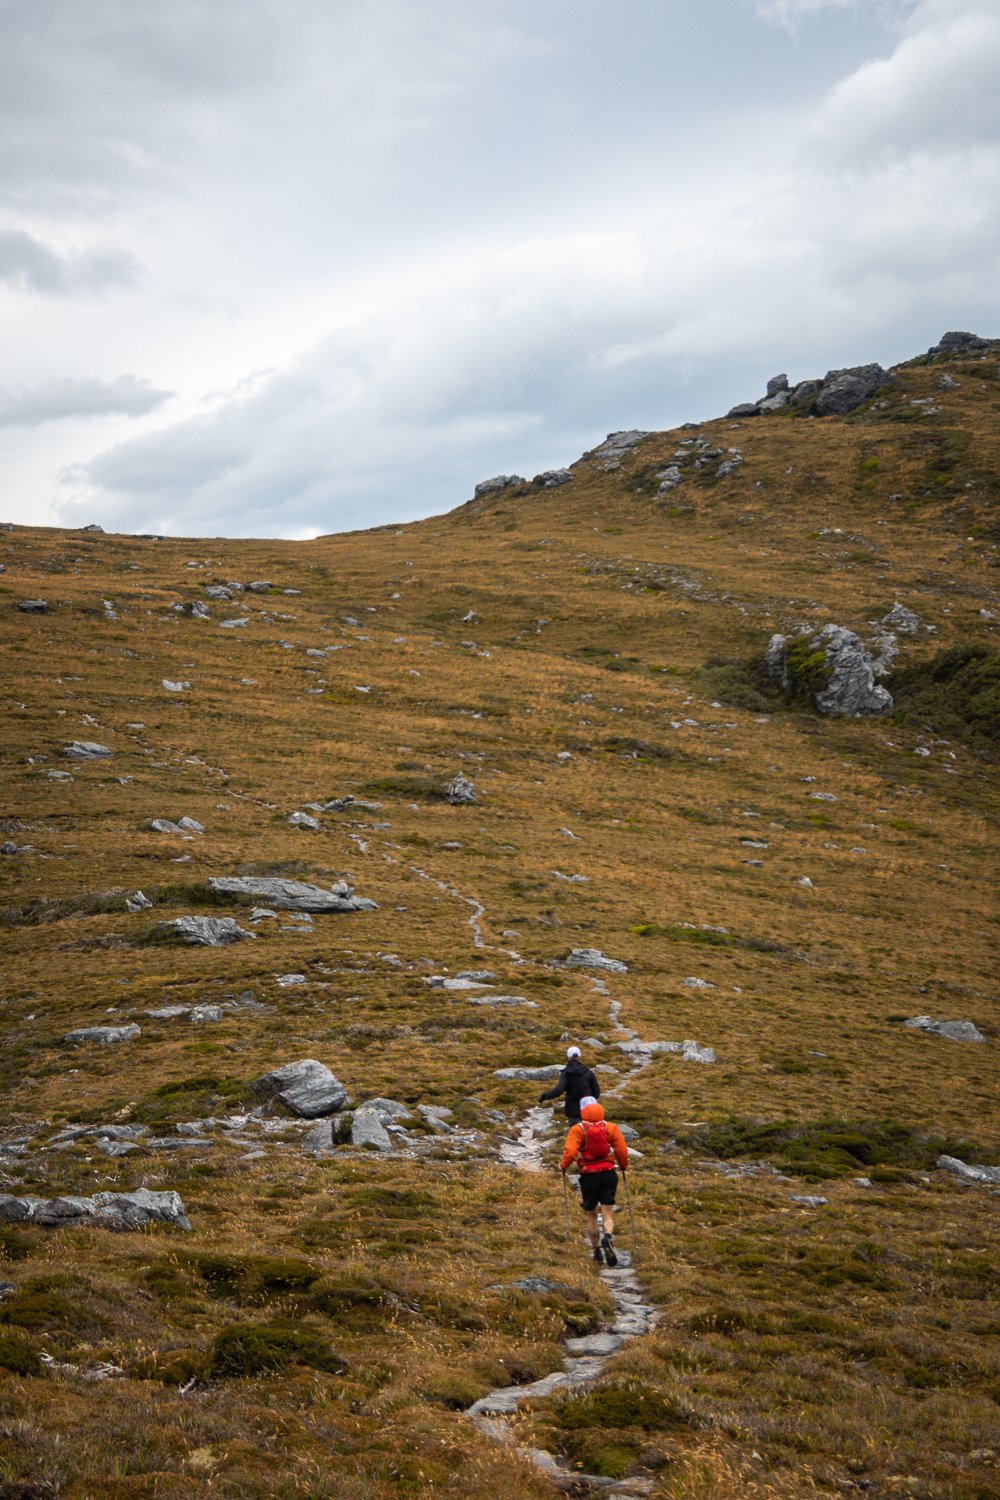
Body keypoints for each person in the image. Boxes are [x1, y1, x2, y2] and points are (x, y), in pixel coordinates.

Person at [560, 1098, 628, 1266]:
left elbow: (570, 1152)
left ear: (583, 1112)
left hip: (589, 1176)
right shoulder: (610, 1128)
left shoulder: (578, 1130)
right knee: (607, 1213)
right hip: (608, 1174)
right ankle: (608, 1237)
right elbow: (621, 1149)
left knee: (591, 1214)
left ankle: (597, 1250)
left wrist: (563, 1166)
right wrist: (623, 1166)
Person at [538, 1046, 600, 1123]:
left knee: (576, 1133)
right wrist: (588, 1101)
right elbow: (596, 1092)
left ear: (568, 1057)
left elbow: (559, 1090)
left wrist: (545, 1096)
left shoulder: (566, 1073)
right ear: (579, 1056)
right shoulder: (588, 1072)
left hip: (573, 1111)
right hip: (588, 1110)